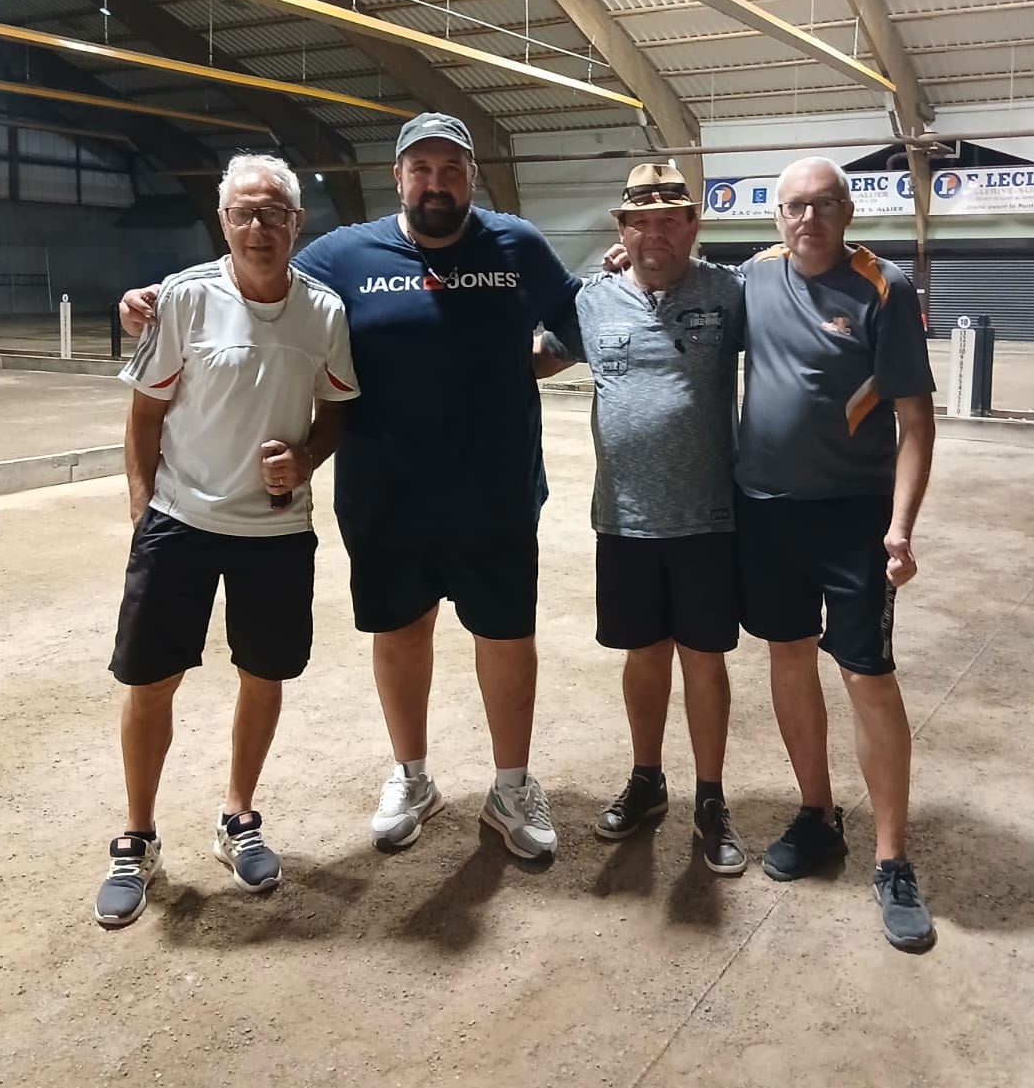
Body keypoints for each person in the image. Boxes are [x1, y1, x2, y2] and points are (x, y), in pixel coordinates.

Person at [120, 113, 580, 863]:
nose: (436, 183)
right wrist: (150, 296)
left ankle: (511, 783)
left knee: (506, 637)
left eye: (451, 169)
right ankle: (412, 776)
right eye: (421, 169)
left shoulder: (516, 245)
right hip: (384, 492)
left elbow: (577, 321)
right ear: (399, 177)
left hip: (494, 488)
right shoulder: (344, 253)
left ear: (471, 177)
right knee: (400, 634)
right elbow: (252, 265)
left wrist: (527, 366)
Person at [95, 153, 358, 929]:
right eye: (243, 212)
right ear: (222, 222)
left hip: (274, 531)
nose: (258, 226)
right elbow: (145, 412)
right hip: (179, 521)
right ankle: (137, 836)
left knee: (263, 672)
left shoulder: (325, 313)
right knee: (149, 680)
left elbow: (336, 409)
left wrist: (305, 457)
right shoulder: (181, 299)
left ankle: (238, 816)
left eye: (273, 212)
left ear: (297, 222)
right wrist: (145, 513)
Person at [736, 157, 937, 952]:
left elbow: (916, 423)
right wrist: (619, 256)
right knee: (787, 655)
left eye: (822, 205)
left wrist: (901, 526)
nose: (807, 220)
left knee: (866, 676)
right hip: (764, 511)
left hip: (853, 518)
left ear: (847, 210)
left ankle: (891, 859)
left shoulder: (884, 287)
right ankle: (816, 815)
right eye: (792, 208)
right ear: (776, 217)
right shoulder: (752, 276)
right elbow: (683, 279)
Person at [533, 165, 749, 875]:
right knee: (643, 656)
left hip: (709, 515)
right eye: (639, 221)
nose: (655, 232)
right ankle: (647, 778)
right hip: (623, 518)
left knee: (704, 659)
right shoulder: (592, 302)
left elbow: (796, 312)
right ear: (620, 231)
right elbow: (535, 359)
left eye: (671, 219)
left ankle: (711, 796)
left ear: (693, 225)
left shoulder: (728, 291)